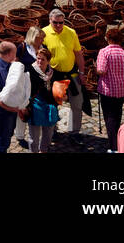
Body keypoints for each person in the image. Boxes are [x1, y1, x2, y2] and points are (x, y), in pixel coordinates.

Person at [43, 9, 86, 144]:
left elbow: (78, 53)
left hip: (72, 74)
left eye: (61, 22)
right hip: (56, 76)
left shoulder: (71, 32)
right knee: (54, 104)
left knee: (77, 104)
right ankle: (53, 129)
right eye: (55, 23)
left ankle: (74, 131)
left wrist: (82, 72)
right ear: (50, 21)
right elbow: (40, 56)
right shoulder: (44, 33)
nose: (58, 26)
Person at [96, 28, 124, 152]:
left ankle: (114, 146)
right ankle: (118, 141)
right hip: (122, 91)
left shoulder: (104, 52)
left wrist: (95, 67)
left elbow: (101, 70)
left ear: (108, 39)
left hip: (108, 91)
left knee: (109, 118)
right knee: (117, 115)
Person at [0, 41, 25, 153]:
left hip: (9, 109)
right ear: (8, 54)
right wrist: (9, 109)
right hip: (2, 110)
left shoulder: (8, 63)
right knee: (3, 138)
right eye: (14, 53)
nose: (16, 56)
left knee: (8, 133)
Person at [26, 46, 58, 153]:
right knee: (33, 136)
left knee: (48, 133)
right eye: (38, 58)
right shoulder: (31, 70)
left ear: (48, 61)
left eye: (43, 59)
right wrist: (45, 81)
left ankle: (43, 149)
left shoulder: (52, 73)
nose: (39, 61)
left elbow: (54, 90)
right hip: (35, 105)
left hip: (49, 105)